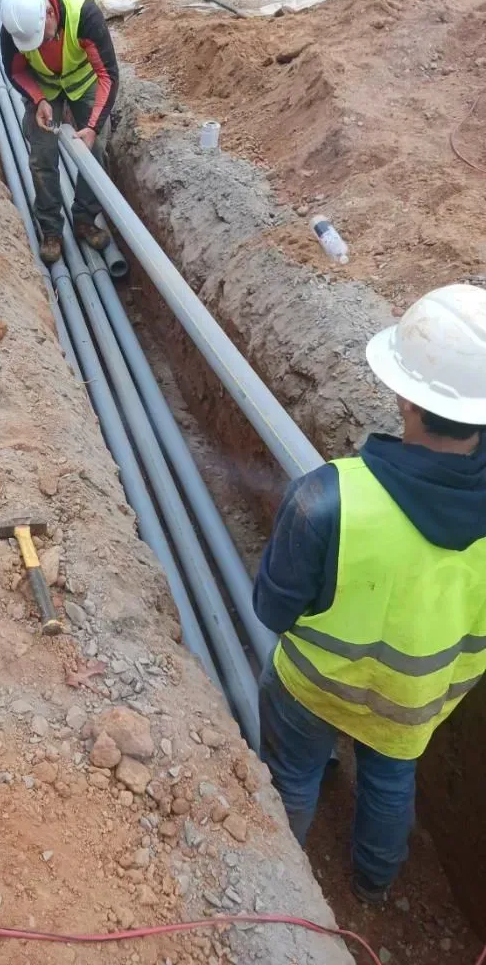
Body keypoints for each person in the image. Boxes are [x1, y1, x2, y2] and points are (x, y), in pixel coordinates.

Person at [254, 283, 486, 905]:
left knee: (294, 775)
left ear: (407, 395)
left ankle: (285, 886)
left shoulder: (325, 497)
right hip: (418, 701)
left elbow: (272, 611)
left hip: (313, 688)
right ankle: (373, 888)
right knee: (390, 780)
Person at [0, 0, 118, 264]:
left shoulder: (85, 15)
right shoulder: (14, 28)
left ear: (50, 15)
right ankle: (51, 228)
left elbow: (107, 74)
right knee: (42, 155)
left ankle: (85, 218)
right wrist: (39, 99)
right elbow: (15, 72)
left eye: (41, 38)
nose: (37, 46)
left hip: (84, 81)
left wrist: (91, 127)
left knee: (96, 149)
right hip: (44, 87)